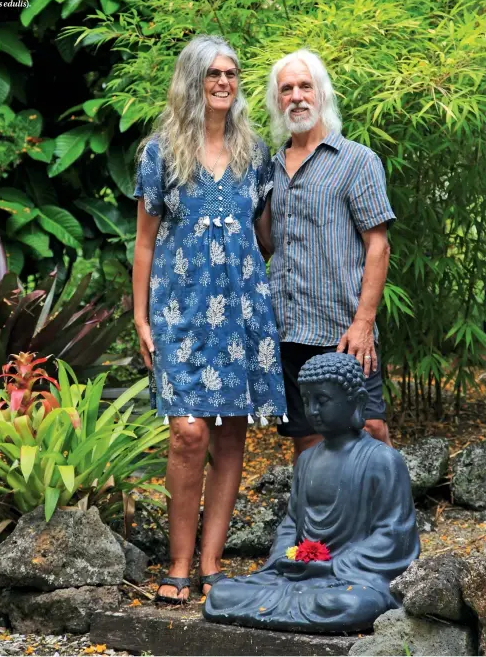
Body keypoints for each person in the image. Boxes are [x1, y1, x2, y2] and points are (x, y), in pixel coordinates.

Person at [133, 35, 287, 604]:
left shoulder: (255, 153)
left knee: (230, 436)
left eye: (231, 74)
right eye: (213, 74)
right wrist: (141, 317)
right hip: (179, 314)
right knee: (188, 432)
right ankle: (177, 562)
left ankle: (211, 563)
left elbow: (267, 236)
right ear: (192, 81)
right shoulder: (161, 154)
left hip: (241, 312)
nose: (224, 82)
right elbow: (144, 243)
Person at [204, 353, 419, 633]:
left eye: (323, 400)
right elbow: (292, 523)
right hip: (299, 577)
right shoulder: (306, 459)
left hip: (352, 578)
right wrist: (285, 557)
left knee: (349, 603)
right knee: (222, 594)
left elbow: (395, 535)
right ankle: (293, 600)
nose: (313, 410)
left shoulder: (381, 460)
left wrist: (333, 566)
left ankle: (309, 600)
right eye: (306, 402)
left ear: (355, 401)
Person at [262, 49, 396, 461]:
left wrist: (363, 323)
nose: (297, 96)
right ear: (277, 101)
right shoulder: (269, 168)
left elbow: (379, 245)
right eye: (287, 89)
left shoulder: (357, 161)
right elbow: (269, 245)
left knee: (369, 426)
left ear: (322, 94)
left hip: (342, 330)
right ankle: (322, 525)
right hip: (287, 329)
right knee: (307, 437)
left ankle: (390, 522)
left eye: (306, 86)